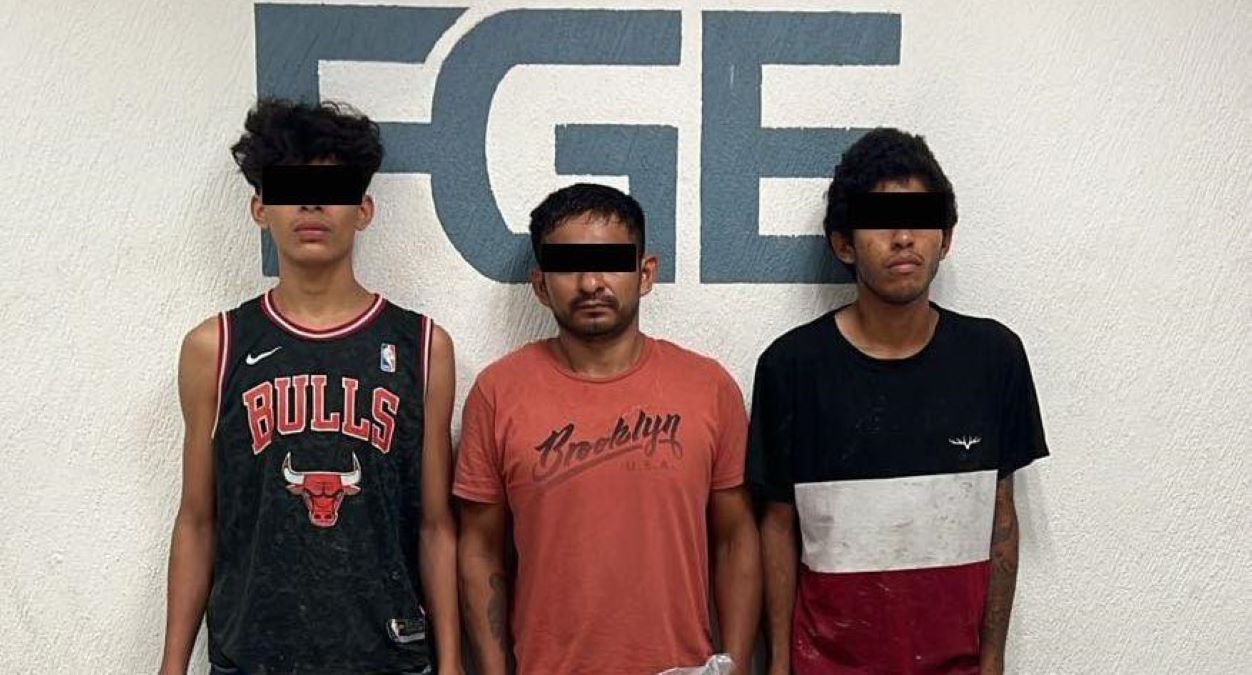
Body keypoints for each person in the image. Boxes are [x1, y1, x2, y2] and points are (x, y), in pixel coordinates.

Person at [159, 99, 460, 675]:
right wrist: (172, 665)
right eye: (291, 188)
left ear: (364, 210)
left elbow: (435, 525)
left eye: (332, 189)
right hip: (252, 656)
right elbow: (197, 520)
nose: (311, 203)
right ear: (260, 209)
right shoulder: (215, 347)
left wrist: (451, 663)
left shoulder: (423, 347)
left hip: (387, 657)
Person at [750, 128, 1049, 674]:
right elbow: (777, 523)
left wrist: (993, 662)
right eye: (881, 222)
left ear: (946, 238)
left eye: (920, 220)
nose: (904, 238)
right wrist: (777, 666)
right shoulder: (790, 368)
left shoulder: (994, 357)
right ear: (844, 244)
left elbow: (1000, 516)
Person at [455, 183, 761, 675]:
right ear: (540, 285)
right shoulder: (498, 393)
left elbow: (736, 538)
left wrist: (737, 666)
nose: (591, 283)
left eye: (611, 263)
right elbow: (480, 549)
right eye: (568, 266)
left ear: (645, 274)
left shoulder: (709, 388)